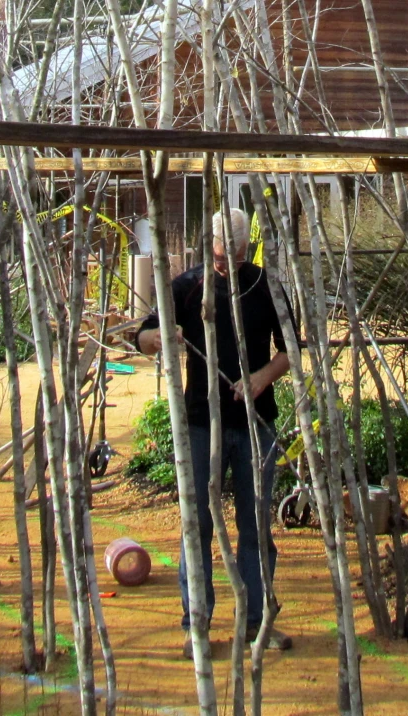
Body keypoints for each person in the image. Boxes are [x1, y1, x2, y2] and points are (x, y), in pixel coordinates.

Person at [136, 207, 294, 658]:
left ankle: (255, 621)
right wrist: (165, 338)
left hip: (254, 425)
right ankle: (197, 624)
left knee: (255, 525)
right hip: (202, 424)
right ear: (212, 247)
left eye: (241, 253)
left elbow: (291, 351)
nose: (232, 262)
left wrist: (262, 377)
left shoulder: (267, 286)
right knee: (198, 526)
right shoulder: (186, 287)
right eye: (226, 254)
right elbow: (144, 337)